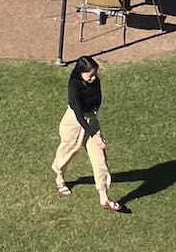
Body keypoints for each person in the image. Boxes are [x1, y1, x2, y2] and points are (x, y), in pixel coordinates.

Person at [54, 55, 128, 212]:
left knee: (100, 158)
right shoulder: (74, 85)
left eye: (95, 74)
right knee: (68, 151)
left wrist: (95, 130)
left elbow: (97, 101)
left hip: (91, 120)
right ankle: (60, 175)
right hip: (74, 121)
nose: (94, 78)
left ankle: (104, 197)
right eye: (90, 75)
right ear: (81, 73)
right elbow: (78, 114)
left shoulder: (96, 82)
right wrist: (94, 134)